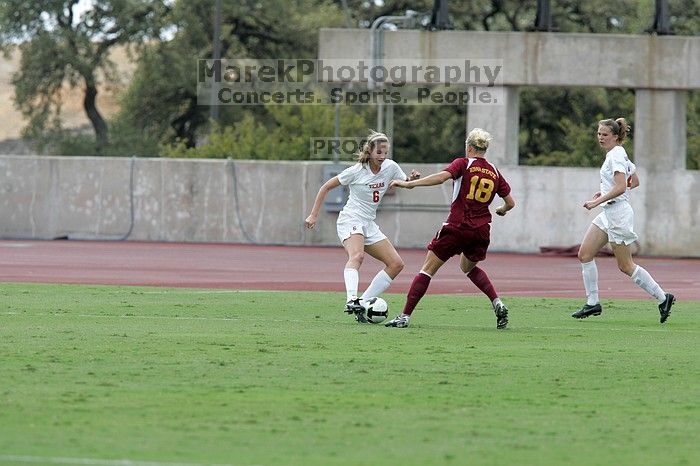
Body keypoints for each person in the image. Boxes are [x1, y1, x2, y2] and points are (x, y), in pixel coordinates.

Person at [384, 128, 515, 329]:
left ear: (469, 147)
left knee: (427, 270)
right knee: (467, 267)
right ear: (484, 149)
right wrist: (502, 209)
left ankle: (404, 316)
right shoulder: (494, 171)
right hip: (481, 230)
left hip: (457, 225)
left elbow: (440, 178)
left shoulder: (463, 163)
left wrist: (410, 185)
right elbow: (510, 203)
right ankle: (497, 303)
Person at [305, 130, 421, 323]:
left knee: (396, 264)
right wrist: (313, 215)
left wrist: (412, 179)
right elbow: (325, 187)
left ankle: (362, 302)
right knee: (357, 256)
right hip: (351, 219)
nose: (383, 157)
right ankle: (351, 299)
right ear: (370, 151)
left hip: (368, 223)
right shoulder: (356, 171)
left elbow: (404, 183)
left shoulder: (391, 167)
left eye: (385, 152)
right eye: (379, 153)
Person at [572, 118, 675, 323]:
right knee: (584, 254)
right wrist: (604, 192)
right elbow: (633, 182)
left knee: (626, 266)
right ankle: (593, 303)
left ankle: (664, 298)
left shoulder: (616, 156)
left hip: (618, 215)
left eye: (605, 135)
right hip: (609, 213)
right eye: (599, 134)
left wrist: (597, 201)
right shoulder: (618, 154)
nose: (601, 138)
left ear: (616, 137)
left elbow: (621, 187)